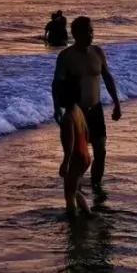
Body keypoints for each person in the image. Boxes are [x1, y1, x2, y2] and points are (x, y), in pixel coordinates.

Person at [52, 17, 122, 199]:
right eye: (87, 31)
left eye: (92, 31)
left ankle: (97, 187)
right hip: (77, 112)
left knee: (101, 150)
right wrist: (57, 107)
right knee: (79, 157)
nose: (91, 35)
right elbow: (57, 84)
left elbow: (107, 77)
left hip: (96, 109)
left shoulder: (97, 52)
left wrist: (116, 102)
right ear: (76, 34)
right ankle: (77, 191)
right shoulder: (66, 56)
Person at [56, 77, 93, 216]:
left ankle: (73, 219)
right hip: (85, 156)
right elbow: (87, 133)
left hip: (76, 158)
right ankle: (88, 213)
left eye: (60, 95)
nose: (58, 98)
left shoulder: (68, 118)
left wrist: (65, 163)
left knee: (69, 194)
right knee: (74, 189)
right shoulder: (78, 111)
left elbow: (70, 145)